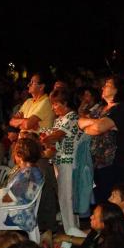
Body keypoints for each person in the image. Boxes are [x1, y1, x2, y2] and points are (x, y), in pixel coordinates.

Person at [77, 75, 124, 203]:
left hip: (113, 163)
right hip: (97, 163)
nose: (103, 87)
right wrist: (95, 124)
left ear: (117, 90)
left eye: (108, 85)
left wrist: (93, 125)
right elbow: (80, 123)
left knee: (113, 201)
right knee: (100, 200)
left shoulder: (121, 109)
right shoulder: (101, 108)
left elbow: (98, 127)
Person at [41, 88, 86, 237]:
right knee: (63, 196)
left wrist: (41, 138)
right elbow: (53, 142)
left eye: (55, 104)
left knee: (68, 196)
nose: (53, 107)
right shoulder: (59, 119)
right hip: (59, 161)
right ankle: (71, 229)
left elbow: (55, 136)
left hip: (69, 162)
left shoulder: (72, 117)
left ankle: (72, 230)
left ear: (65, 103)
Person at [0, 138, 43, 234]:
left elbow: (8, 198)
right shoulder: (34, 170)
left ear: (19, 155)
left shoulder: (27, 174)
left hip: (20, 215)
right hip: (23, 211)